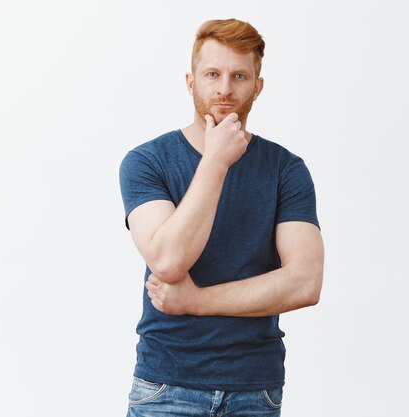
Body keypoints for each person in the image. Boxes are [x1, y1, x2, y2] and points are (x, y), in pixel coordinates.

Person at [119, 18, 324, 417]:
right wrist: (216, 160)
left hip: (255, 389)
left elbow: (305, 283)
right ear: (190, 81)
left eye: (239, 76)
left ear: (257, 87)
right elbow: (168, 259)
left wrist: (196, 301)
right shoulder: (146, 162)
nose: (225, 88)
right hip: (167, 387)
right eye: (212, 74)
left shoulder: (286, 169)